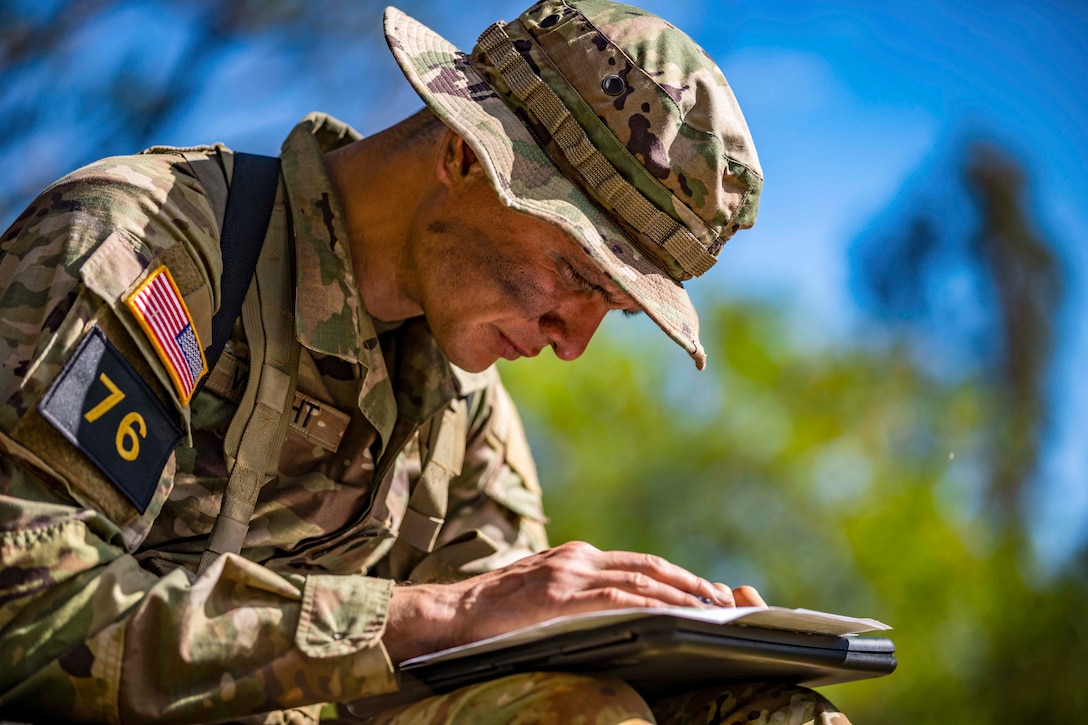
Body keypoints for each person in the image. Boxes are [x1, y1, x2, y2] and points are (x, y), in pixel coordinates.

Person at [0, 1, 850, 723]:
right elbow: (25, 609)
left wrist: (678, 645)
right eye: (578, 275)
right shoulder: (149, 253)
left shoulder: (464, 402)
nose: (572, 339)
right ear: (463, 156)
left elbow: (506, 669)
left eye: (614, 309)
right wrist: (448, 614)